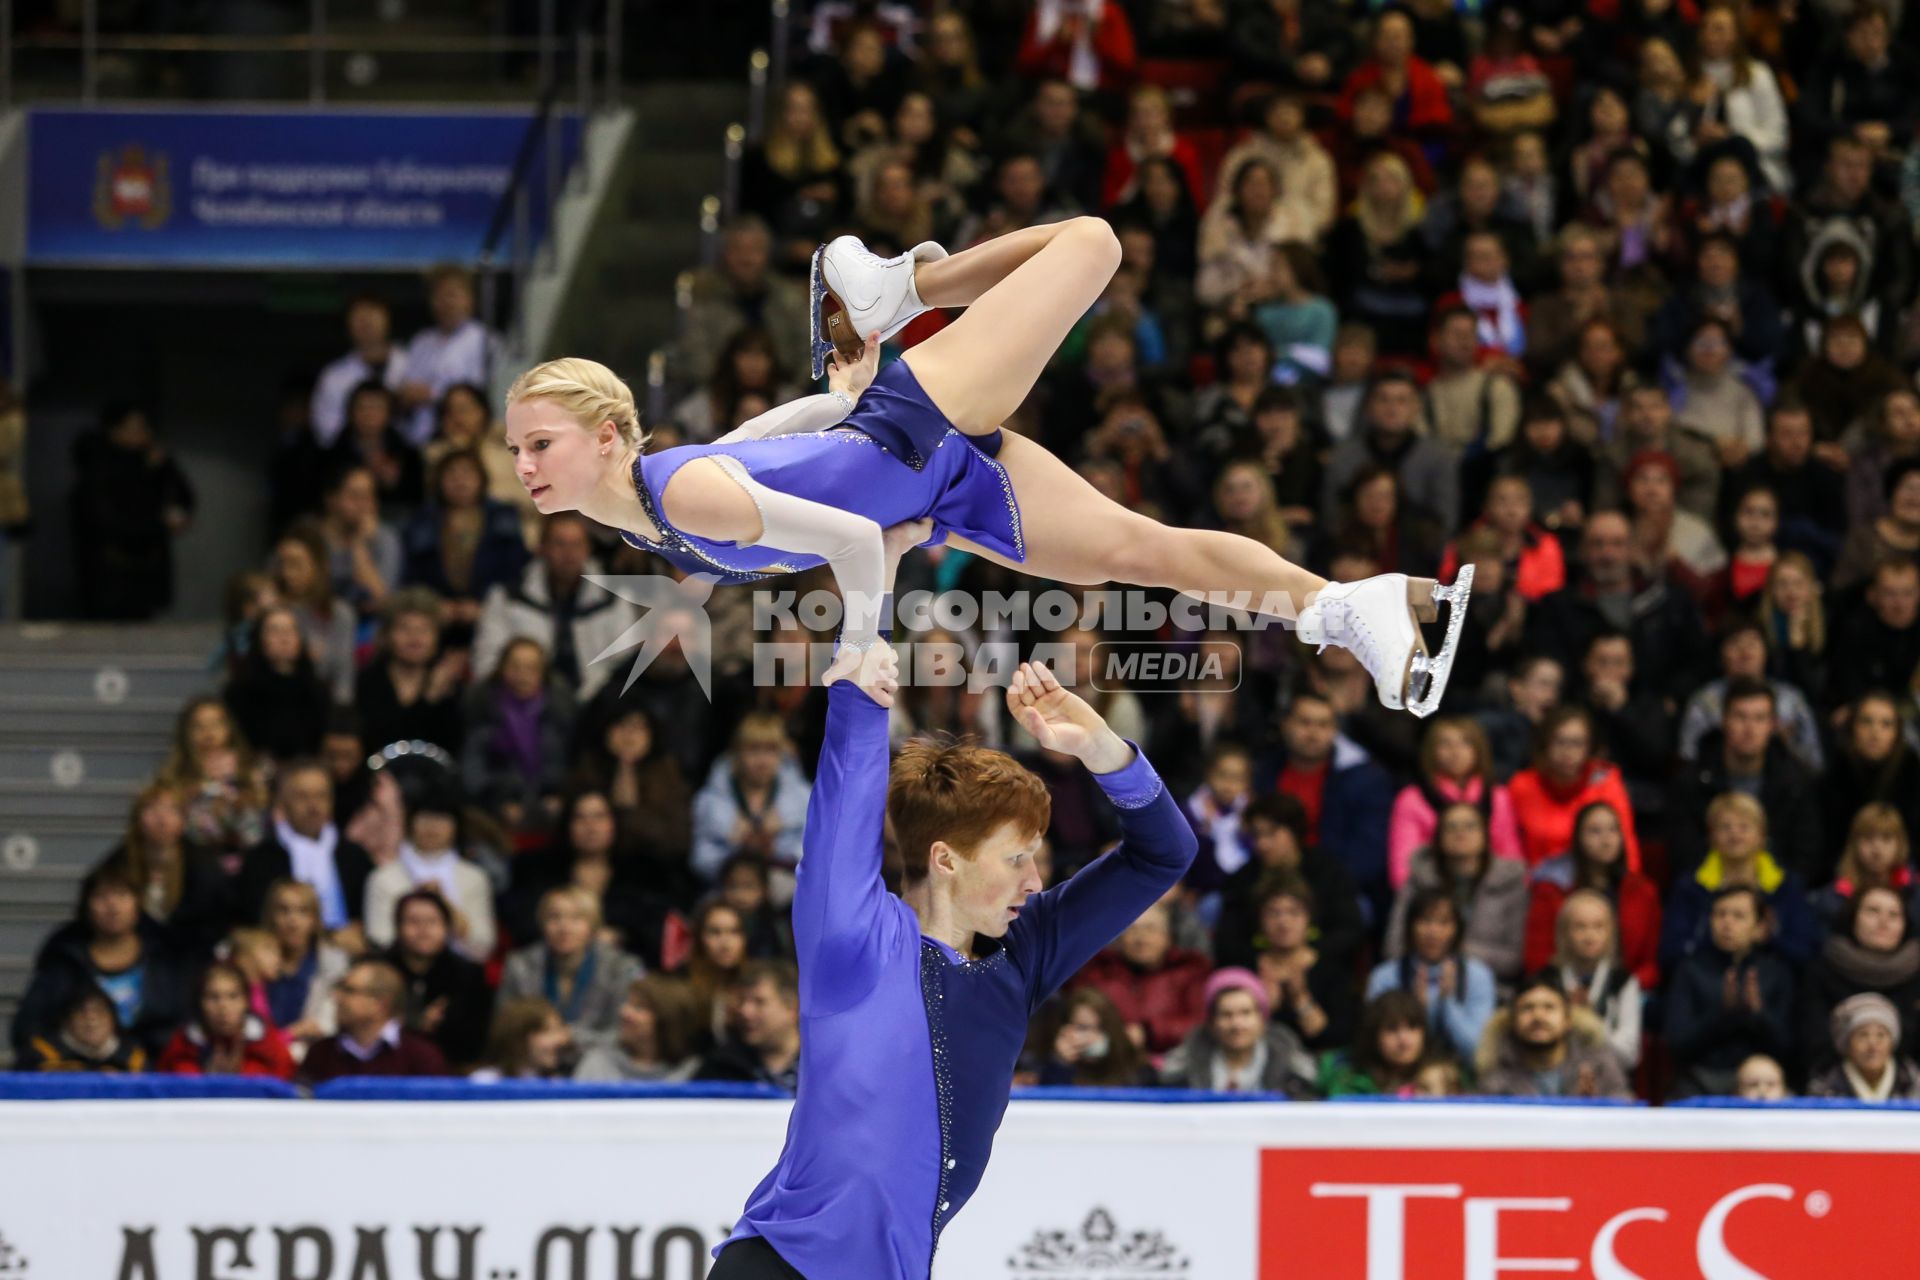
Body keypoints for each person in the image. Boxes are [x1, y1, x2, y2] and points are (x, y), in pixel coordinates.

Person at [505, 221, 1475, 720]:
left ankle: (902, 286)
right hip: (929, 483)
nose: (524, 464)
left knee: (1092, 243)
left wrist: (860, 640)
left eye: (539, 442)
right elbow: (766, 451)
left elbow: (839, 536)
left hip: (915, 425)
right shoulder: (642, 516)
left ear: (607, 432)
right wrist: (838, 403)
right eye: (516, 449)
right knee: (1139, 553)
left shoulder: (673, 490)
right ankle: (1347, 608)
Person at [707, 555, 1197, 1278]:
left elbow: (1163, 855)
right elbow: (844, 805)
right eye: (1016, 858)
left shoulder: (1020, 957)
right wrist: (862, 686)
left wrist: (1101, 748)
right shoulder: (854, 940)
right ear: (945, 860)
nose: (1038, 879)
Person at [11, 860, 195, 1060]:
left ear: (138, 903)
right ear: (86, 906)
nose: (112, 906)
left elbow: (185, 1028)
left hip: (153, 1076)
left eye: (122, 895)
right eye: (101, 897)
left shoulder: (165, 956)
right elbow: (26, 1030)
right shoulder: (64, 960)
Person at [1662, 886, 1795, 1097]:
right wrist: (1721, 1015)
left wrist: (1758, 1014)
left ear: (1760, 926)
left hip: (1762, 1080)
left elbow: (1789, 1047)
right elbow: (1677, 1044)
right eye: (1720, 914)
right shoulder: (1690, 969)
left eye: (1739, 916)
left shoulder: (1776, 972)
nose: (1727, 923)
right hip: (1701, 1080)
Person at [1524, 801, 1662, 989]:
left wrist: (1626, 989)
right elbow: (1537, 958)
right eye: (1595, 831)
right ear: (1578, 837)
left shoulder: (1643, 891)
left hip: (1626, 989)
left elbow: (1651, 963)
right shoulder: (1552, 888)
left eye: (1613, 830)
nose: (1606, 840)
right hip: (1562, 989)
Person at [498, 886, 644, 1051]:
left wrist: (571, 1037)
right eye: (554, 917)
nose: (564, 928)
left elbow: (625, 1033)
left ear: (592, 925)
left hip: (600, 1062)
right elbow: (505, 1029)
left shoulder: (622, 968)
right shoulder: (519, 965)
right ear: (542, 923)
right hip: (534, 1059)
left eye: (576, 918)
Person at [1365, 888, 1498, 1061]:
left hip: (1461, 1075)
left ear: (1457, 929)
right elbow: (1374, 1044)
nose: (1433, 932)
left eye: (1443, 923)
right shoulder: (1384, 977)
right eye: (1425, 921)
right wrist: (1418, 1013)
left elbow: (1476, 1051)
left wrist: (1447, 1004)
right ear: (1410, 926)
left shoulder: (1478, 976)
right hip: (1400, 1074)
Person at [1156, 968, 1318, 1097]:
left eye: (1246, 1013)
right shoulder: (1182, 1069)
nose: (1236, 1024)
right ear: (1212, 1023)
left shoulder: (1293, 1067)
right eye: (1226, 1015)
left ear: (1262, 1019)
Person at [1475, 970, 1634, 1100]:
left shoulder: (1599, 1064)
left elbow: (1628, 1113)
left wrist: (1596, 1106)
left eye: (1549, 1007)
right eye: (1527, 1008)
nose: (1538, 1016)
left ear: (1567, 1020)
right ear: (1513, 1022)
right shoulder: (1496, 1075)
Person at [386, 888, 493, 1071]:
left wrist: (444, 1023)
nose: (423, 929)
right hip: (386, 1069)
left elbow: (477, 1039)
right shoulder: (379, 970)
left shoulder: (469, 974)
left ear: (447, 927)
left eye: (432, 921)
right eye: (413, 921)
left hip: (453, 1071)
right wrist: (414, 1023)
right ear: (397, 926)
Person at [298, 957, 450, 1084]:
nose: (337, 997)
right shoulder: (320, 1054)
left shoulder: (422, 1057)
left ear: (380, 1004)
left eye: (349, 990)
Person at [156, 961, 296, 1080]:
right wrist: (206, 1081)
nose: (223, 1006)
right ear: (200, 1003)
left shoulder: (268, 1042)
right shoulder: (183, 1044)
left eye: (233, 996)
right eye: (213, 997)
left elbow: (288, 1086)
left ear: (246, 1001)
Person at [1551, 889, 1642, 1072]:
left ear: (1610, 932)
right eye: (1580, 927)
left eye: (1598, 926)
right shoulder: (1546, 980)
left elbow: (1629, 1055)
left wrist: (1590, 1023)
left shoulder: (1623, 981)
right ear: (1564, 932)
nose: (1589, 937)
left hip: (1608, 1080)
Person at [1317, 990, 1453, 1098]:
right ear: (1374, 1036)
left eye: (1412, 1027)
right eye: (1392, 1029)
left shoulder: (1443, 1075)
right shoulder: (1347, 1077)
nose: (1404, 1040)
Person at [694, 960, 804, 1091]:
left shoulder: (825, 1069)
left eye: (759, 1002)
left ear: (793, 1008)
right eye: (742, 1001)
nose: (745, 1012)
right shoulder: (720, 1068)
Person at [574, 976, 704, 1082]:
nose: (624, 1012)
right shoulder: (598, 1065)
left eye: (639, 1007)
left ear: (667, 1019)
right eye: (628, 1003)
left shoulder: (694, 1074)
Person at [1021, 987, 1151, 1087]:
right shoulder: (1050, 1067)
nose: (1091, 1037)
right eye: (1082, 1028)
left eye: (1100, 1028)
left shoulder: (1135, 1067)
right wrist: (1060, 1064)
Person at [1807, 992, 1920, 1102]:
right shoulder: (1824, 1087)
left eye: (1881, 1035)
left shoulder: (1911, 1081)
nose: (1872, 1044)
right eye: (1863, 1035)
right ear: (1846, 1042)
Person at [17, 984, 148, 1073]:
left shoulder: (133, 1058)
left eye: (100, 1012)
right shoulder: (39, 1055)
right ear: (67, 1020)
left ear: (113, 1021)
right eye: (81, 1012)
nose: (91, 1021)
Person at [471, 998, 576, 1082]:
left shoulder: (556, 1085)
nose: (562, 1040)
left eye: (559, 1030)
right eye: (548, 1031)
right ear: (519, 1038)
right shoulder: (485, 1082)